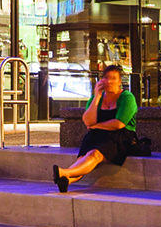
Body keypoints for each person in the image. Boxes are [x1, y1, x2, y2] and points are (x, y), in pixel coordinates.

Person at [55, 65, 139, 193]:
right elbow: (88, 121)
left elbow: (119, 123)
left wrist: (96, 126)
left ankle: (64, 172)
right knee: (83, 158)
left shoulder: (127, 97)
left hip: (119, 137)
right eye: (105, 78)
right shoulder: (96, 98)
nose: (109, 81)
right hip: (96, 136)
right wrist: (97, 97)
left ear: (120, 81)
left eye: (113, 78)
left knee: (94, 155)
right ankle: (67, 179)